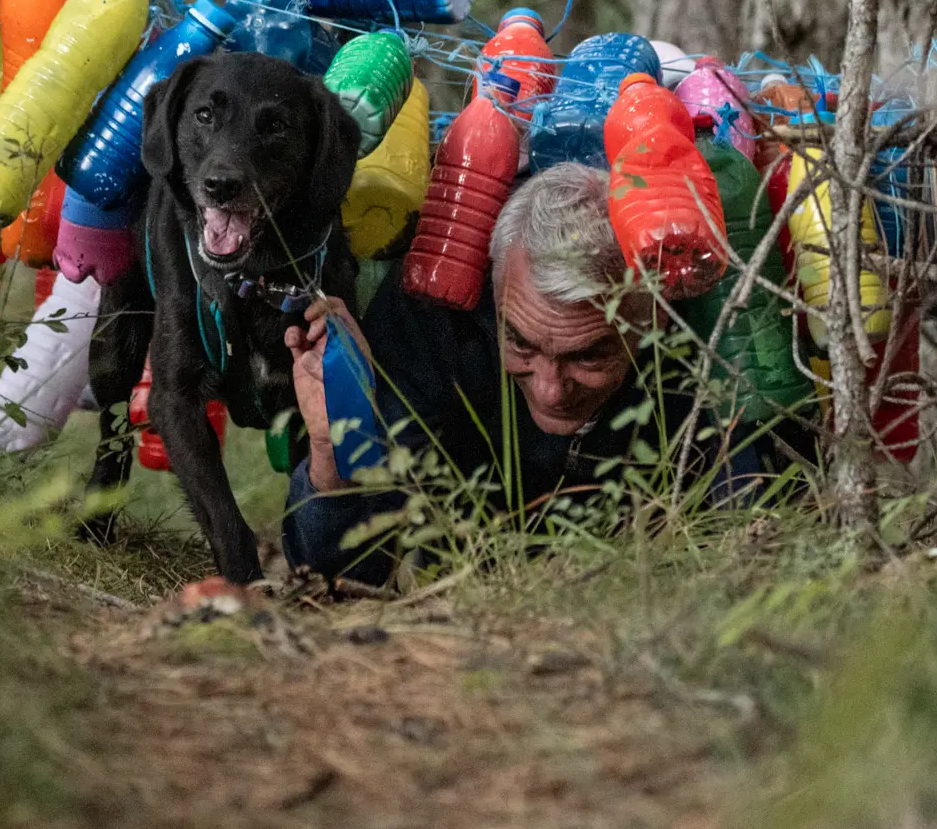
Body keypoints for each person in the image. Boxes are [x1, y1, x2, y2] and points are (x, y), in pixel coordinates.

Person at [282, 162, 798, 586]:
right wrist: (333, 457)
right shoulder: (434, 312)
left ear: (655, 318)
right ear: (494, 287)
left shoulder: (715, 326)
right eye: (521, 343)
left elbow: (754, 557)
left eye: (589, 355)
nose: (551, 390)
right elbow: (340, 576)